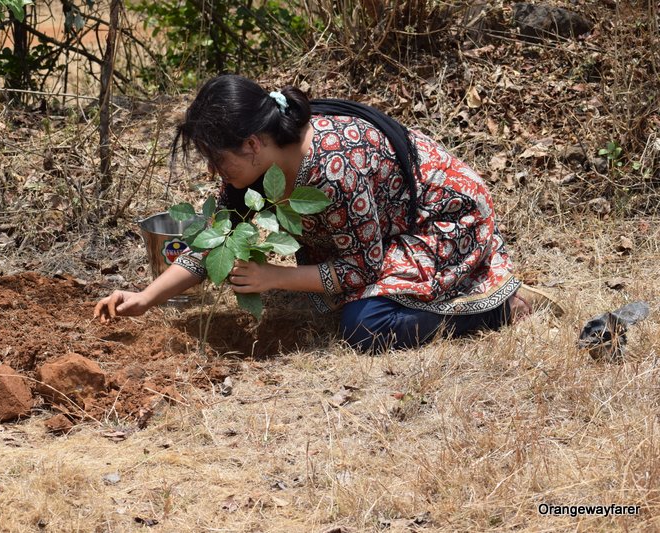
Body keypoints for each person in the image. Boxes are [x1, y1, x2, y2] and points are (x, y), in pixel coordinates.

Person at [94, 74, 562, 352]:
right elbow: (218, 238)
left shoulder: (334, 167)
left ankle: (500, 309)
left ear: (252, 143)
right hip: (385, 228)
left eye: (219, 159)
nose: (216, 170)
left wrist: (273, 277)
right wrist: (145, 298)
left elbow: (361, 267)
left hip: (440, 218)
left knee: (365, 326)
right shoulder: (256, 167)